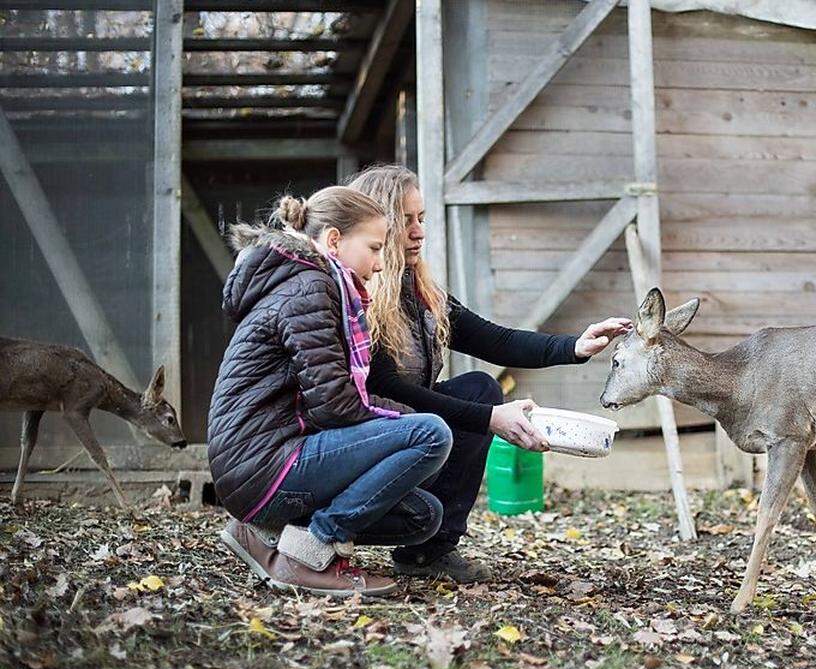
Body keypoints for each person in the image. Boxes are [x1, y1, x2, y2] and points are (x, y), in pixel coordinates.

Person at [347, 165, 632, 583]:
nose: (418, 231)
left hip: (410, 432)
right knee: (479, 402)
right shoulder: (358, 295)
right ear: (377, 223)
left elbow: (495, 342)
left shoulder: (422, 293)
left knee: (481, 387)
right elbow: (387, 386)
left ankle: (429, 552)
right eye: (405, 220)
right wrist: (488, 418)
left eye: (421, 219)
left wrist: (575, 345)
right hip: (364, 441)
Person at [207, 186, 454, 597]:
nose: (378, 265)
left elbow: (330, 398)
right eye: (374, 248)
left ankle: (265, 535)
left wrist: (399, 421)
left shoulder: (313, 283)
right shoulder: (310, 287)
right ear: (335, 240)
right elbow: (336, 405)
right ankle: (308, 550)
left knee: (422, 516)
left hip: (268, 460)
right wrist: (407, 421)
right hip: (266, 464)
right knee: (431, 435)